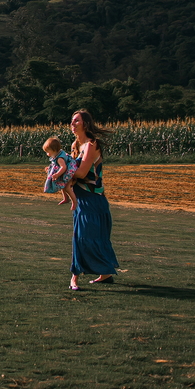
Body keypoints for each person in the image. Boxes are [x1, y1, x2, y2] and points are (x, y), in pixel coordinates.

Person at [67, 109, 119, 291]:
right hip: (81, 199)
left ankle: (102, 274)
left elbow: (80, 172)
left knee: (90, 238)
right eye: (72, 121)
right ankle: (79, 277)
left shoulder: (91, 145)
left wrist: (61, 174)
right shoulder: (75, 145)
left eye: (76, 121)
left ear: (85, 124)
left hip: (93, 199)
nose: (72, 124)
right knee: (80, 238)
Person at [42, 136, 78, 211]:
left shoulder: (59, 158)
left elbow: (63, 167)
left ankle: (75, 202)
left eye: (48, 152)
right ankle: (66, 198)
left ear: (54, 150)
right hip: (66, 171)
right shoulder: (58, 154)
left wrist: (57, 174)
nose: (47, 154)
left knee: (67, 188)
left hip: (68, 172)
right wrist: (49, 168)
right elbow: (56, 166)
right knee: (62, 186)